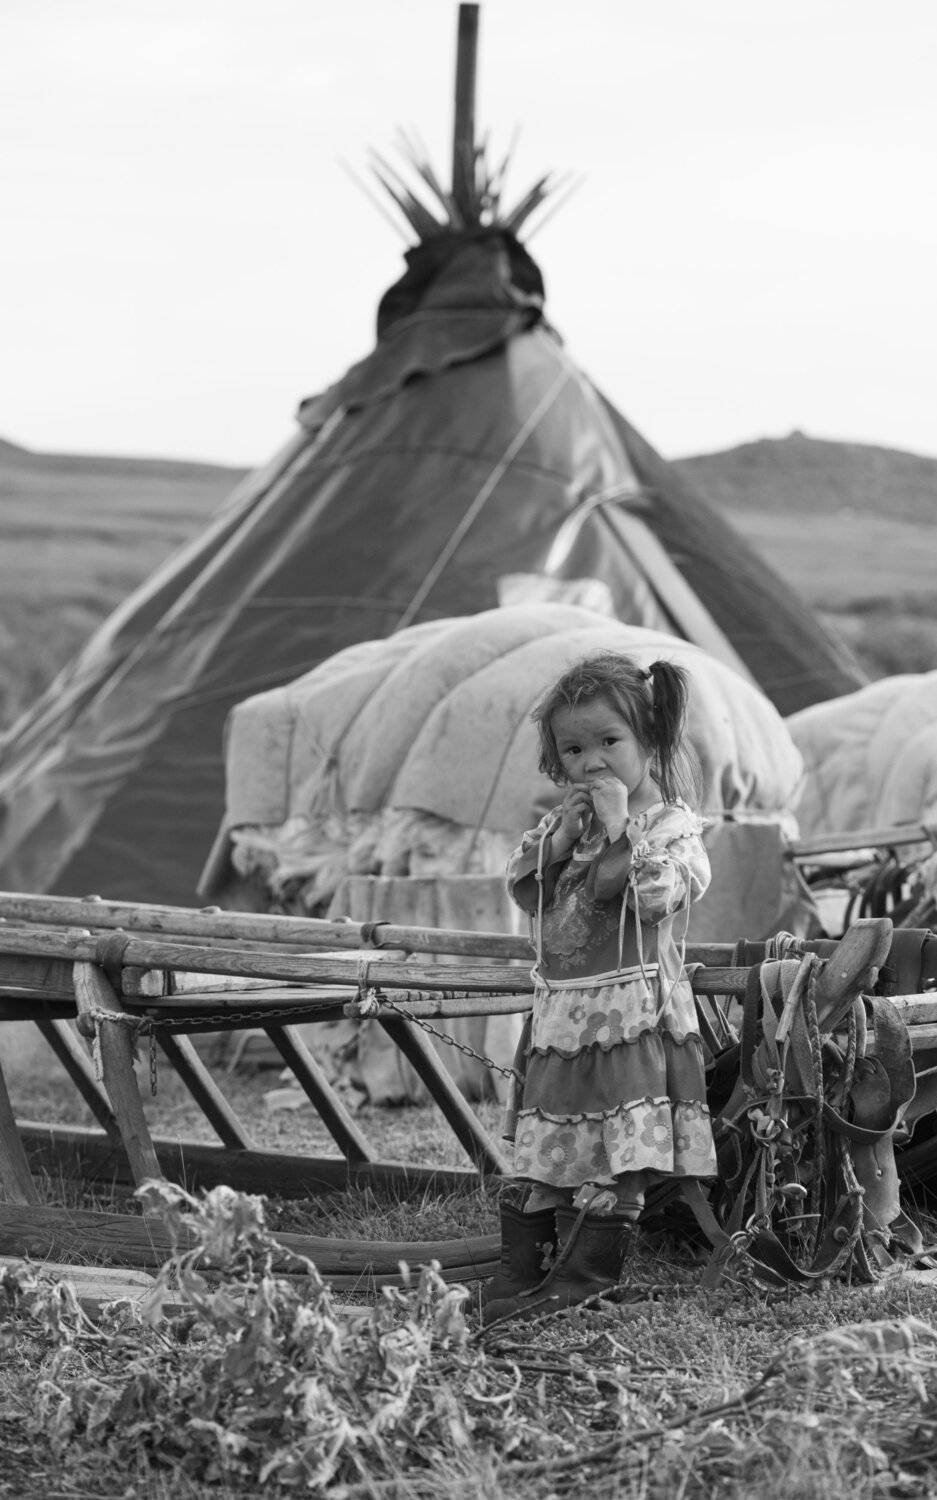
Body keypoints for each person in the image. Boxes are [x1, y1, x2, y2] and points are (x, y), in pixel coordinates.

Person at [482, 651, 718, 1322]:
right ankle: (524, 1268)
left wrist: (620, 828)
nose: (592, 762)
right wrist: (562, 839)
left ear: (650, 739)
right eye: (574, 749)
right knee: (548, 1149)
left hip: (629, 1018)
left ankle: (586, 1275)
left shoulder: (670, 826)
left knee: (619, 1155)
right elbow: (528, 893)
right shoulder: (568, 828)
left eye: (609, 741)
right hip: (564, 1017)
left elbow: (658, 896)